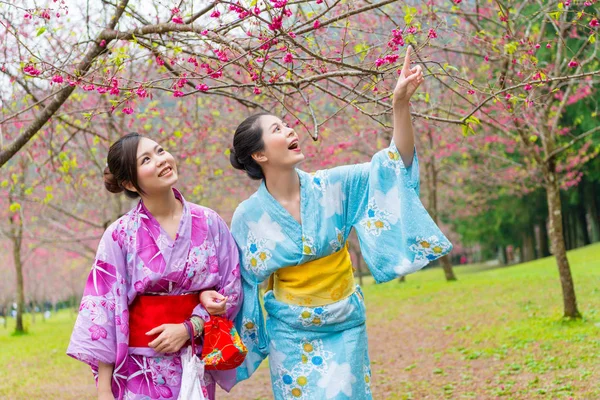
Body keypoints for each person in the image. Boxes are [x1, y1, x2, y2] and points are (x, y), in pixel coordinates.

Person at [228, 46, 453, 399]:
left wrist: (400, 106)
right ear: (259, 154)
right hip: (290, 331)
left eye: (287, 125)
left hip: (344, 322)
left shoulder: (332, 185)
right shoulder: (247, 216)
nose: (289, 130)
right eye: (277, 129)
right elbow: (236, 282)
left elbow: (394, 167)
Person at [67, 133, 242, 400]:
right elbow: (104, 309)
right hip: (140, 369)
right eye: (147, 159)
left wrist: (190, 327)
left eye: (160, 151)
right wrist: (104, 390)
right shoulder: (120, 234)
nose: (161, 160)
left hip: (193, 360)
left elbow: (231, 289)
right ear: (129, 182)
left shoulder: (210, 222)